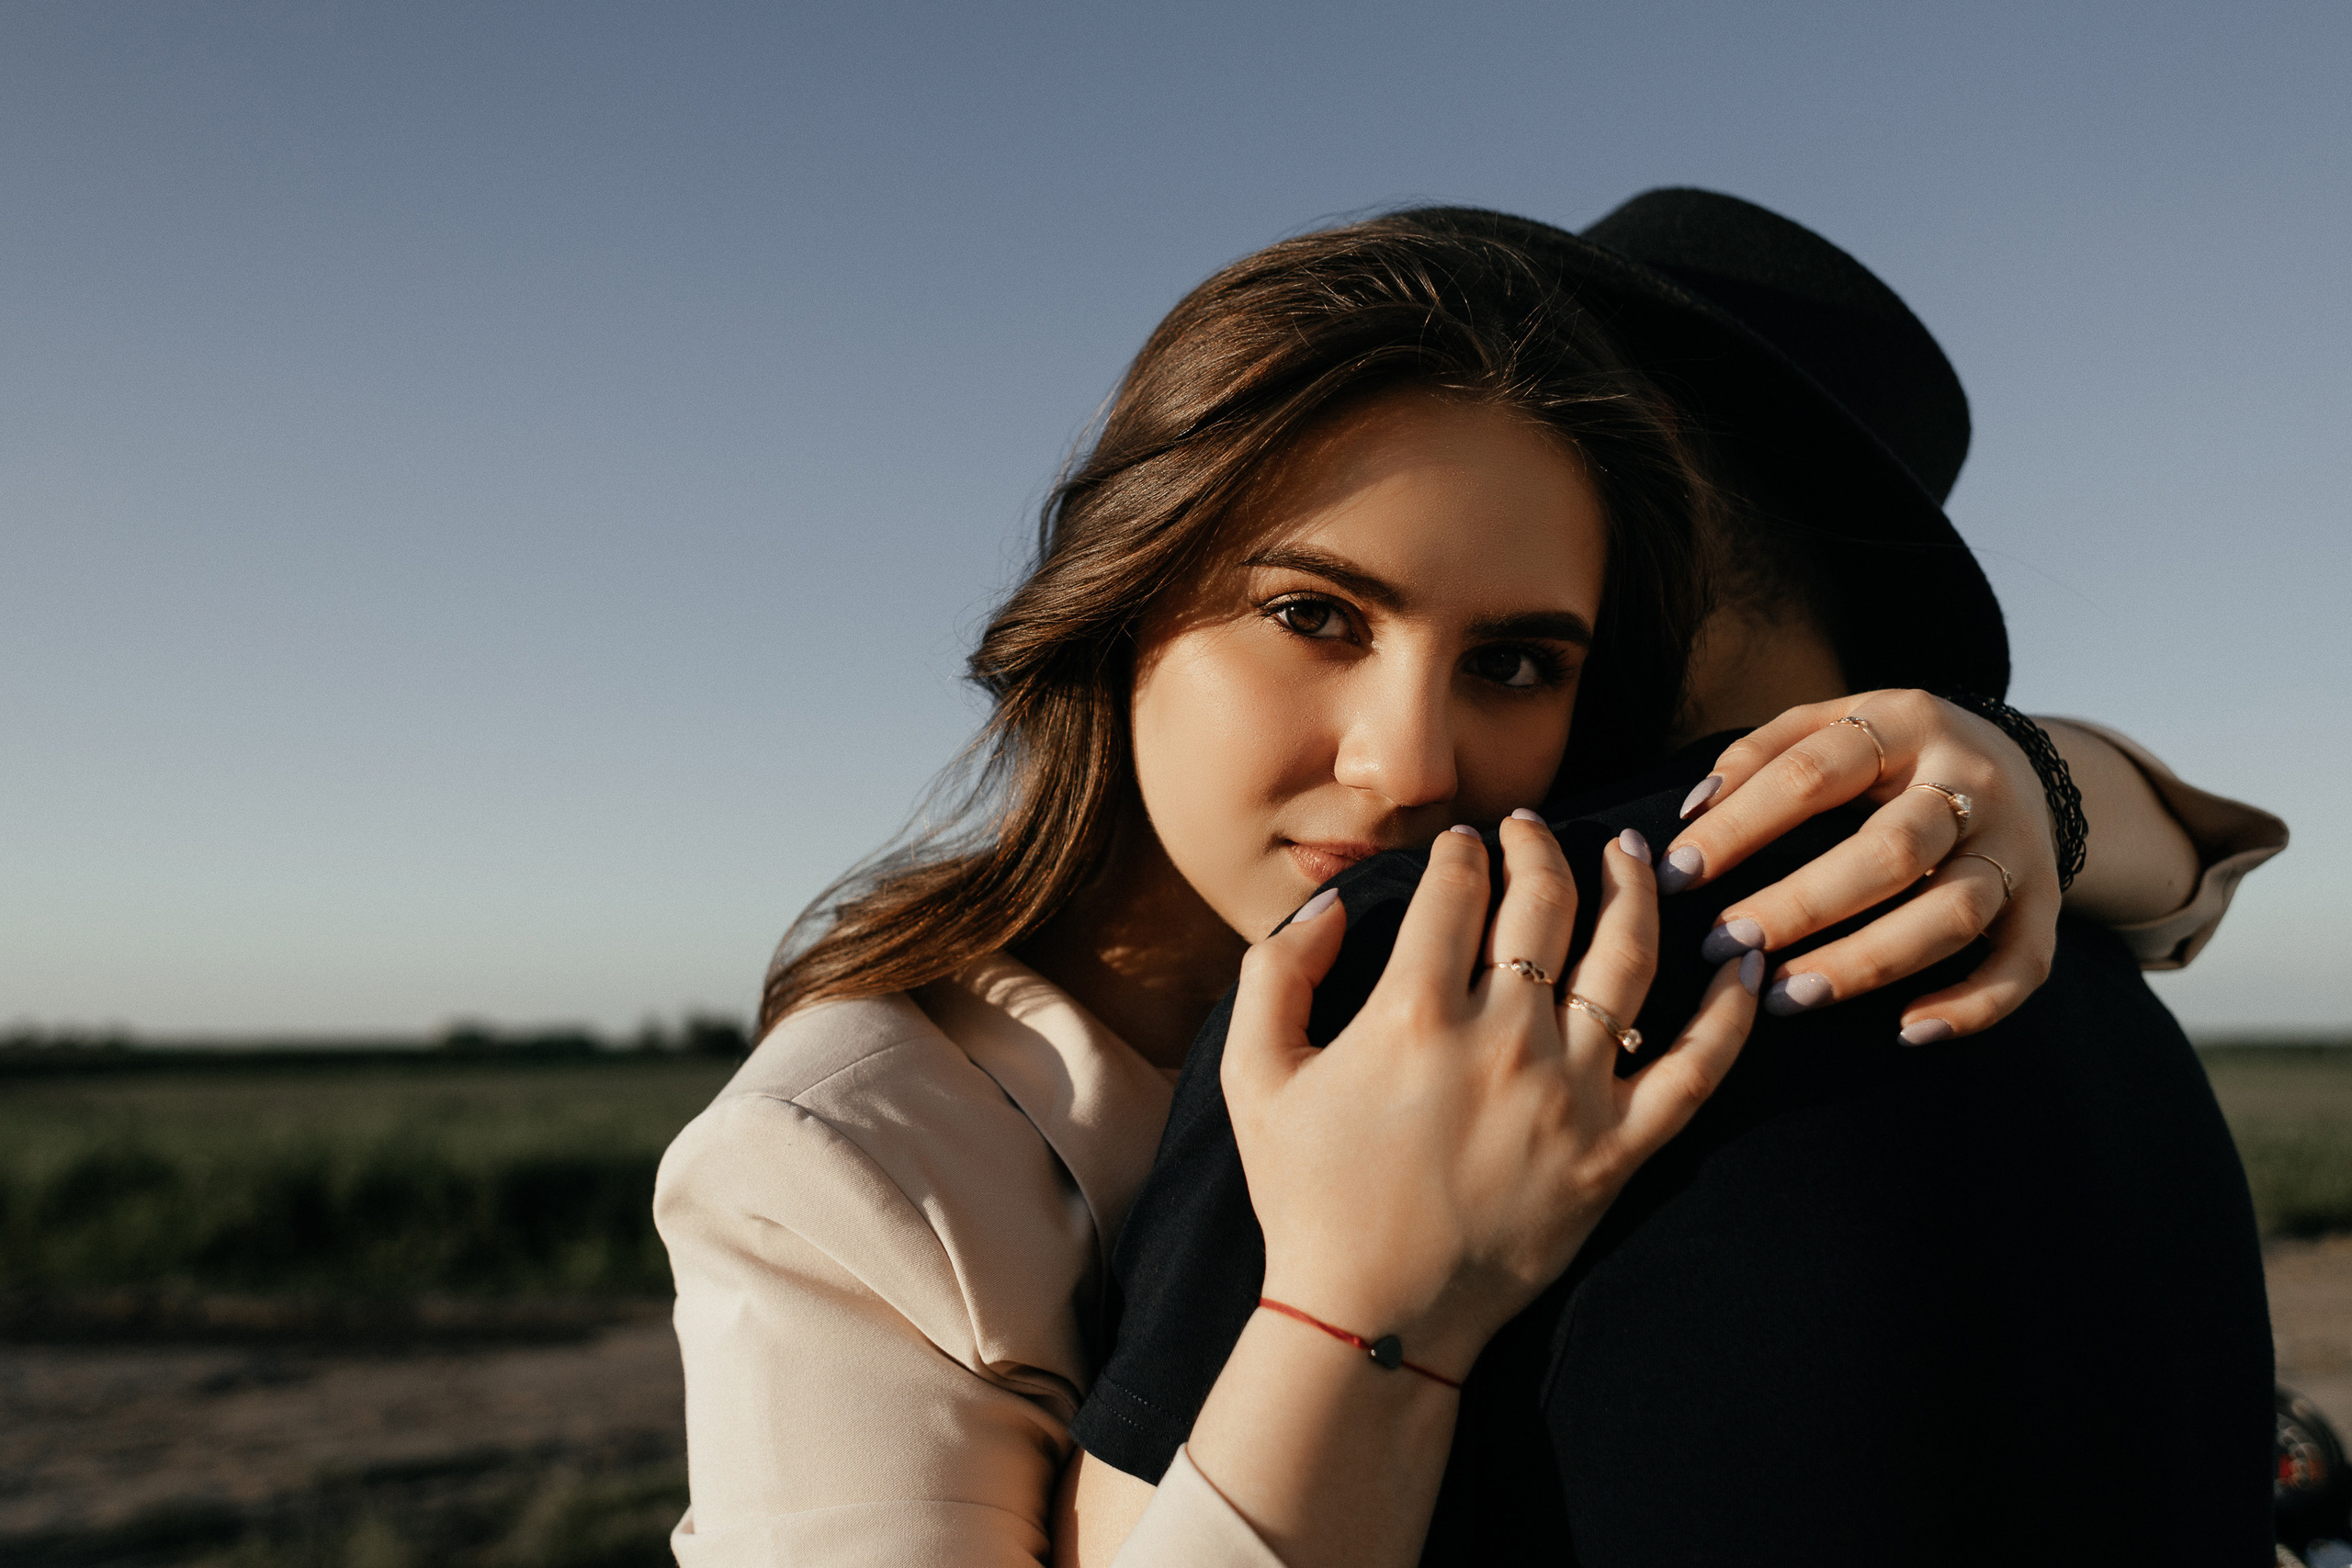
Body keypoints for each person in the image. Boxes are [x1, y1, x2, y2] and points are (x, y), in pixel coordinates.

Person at [652, 203, 2272, 1566]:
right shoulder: (844, 1162)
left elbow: (2177, 869)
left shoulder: (1547, 939)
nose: (1409, 764)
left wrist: (2034, 782)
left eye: (1513, 660)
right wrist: (1369, 1317)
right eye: (1316, 617)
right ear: (1128, 583)